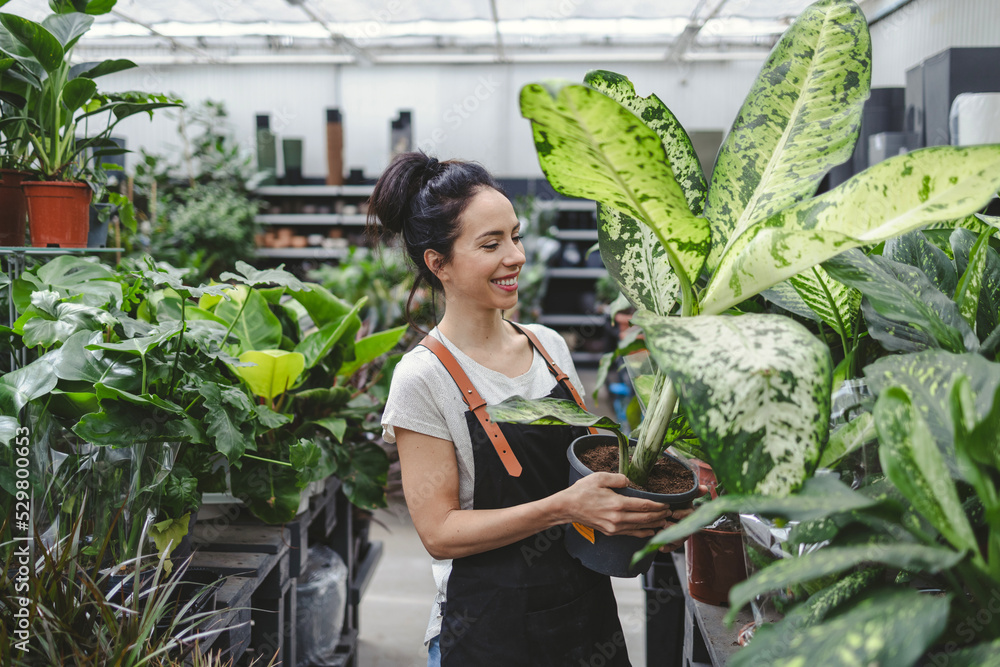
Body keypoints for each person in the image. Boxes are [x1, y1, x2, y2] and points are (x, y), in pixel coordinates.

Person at [371, 152, 679, 667]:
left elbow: (586, 469)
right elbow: (439, 533)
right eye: (491, 244)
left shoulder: (548, 347)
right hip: (486, 630)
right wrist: (564, 506)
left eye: (515, 236)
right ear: (438, 263)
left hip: (583, 615)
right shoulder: (423, 377)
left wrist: (644, 509)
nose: (514, 256)